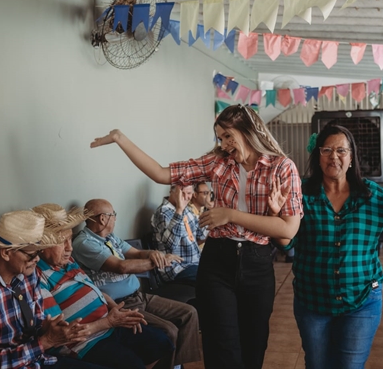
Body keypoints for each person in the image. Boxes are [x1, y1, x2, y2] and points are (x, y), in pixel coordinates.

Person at [90, 104, 303, 369]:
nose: (223, 144)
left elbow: (288, 229)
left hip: (257, 263)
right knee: (220, 347)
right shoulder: (217, 163)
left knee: (254, 345)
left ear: (246, 131)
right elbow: (160, 173)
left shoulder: (282, 167)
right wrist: (121, 139)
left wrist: (230, 215)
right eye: (219, 138)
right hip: (217, 262)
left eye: (227, 136)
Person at [276, 125, 383, 369]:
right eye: (327, 149)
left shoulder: (371, 195)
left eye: (342, 150)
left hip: (362, 299)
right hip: (312, 299)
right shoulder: (302, 193)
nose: (334, 156)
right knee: (317, 364)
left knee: (350, 366)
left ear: (351, 158)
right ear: (317, 156)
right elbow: (287, 241)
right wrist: (274, 212)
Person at [0, 210, 105, 369]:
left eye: (39, 251)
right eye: (32, 253)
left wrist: (47, 327)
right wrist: (47, 341)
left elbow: (34, 322)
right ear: (6, 253)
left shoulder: (27, 273)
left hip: (40, 360)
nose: (37, 259)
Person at [33, 203, 174, 369]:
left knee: (160, 342)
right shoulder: (37, 277)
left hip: (107, 324)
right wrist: (109, 322)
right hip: (85, 342)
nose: (69, 248)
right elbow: (62, 334)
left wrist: (116, 310)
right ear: (42, 245)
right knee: (132, 364)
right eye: (62, 242)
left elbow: (94, 290)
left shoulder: (67, 261)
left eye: (70, 239)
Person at [72, 198, 200, 369]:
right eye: (113, 215)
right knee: (169, 330)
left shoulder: (110, 237)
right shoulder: (84, 243)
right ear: (103, 219)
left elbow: (137, 253)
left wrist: (154, 254)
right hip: (119, 303)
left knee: (189, 313)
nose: (115, 218)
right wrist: (161, 262)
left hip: (139, 296)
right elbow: (121, 267)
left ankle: (177, 365)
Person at [151, 185, 206, 286]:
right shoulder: (163, 212)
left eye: (189, 193)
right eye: (182, 193)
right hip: (176, 268)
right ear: (172, 191)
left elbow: (201, 235)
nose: (185, 197)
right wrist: (179, 210)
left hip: (194, 264)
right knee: (211, 279)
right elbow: (171, 244)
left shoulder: (187, 210)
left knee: (222, 272)